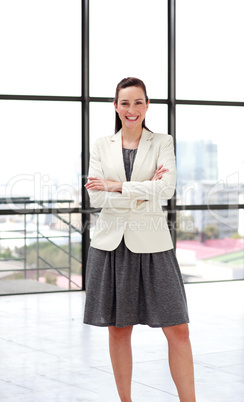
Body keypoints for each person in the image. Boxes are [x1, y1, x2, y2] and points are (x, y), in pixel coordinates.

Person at [84, 77, 196, 402]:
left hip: (153, 244)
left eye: (138, 102)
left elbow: (167, 190)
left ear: (147, 105)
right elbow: (95, 200)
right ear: (116, 106)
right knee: (118, 329)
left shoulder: (162, 142)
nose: (131, 109)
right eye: (125, 103)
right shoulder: (101, 145)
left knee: (178, 329)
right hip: (110, 245)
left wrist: (116, 186)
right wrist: (143, 188)